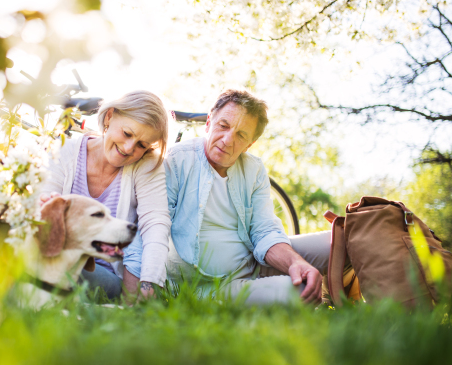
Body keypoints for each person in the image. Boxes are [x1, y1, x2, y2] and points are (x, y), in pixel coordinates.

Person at [123, 89, 330, 305]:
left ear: (249, 144)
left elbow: (264, 231)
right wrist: (143, 288)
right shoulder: (177, 161)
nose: (227, 140)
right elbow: (151, 229)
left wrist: (295, 262)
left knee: (336, 242)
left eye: (241, 135)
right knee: (302, 291)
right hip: (214, 287)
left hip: (254, 261)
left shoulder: (254, 169)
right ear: (209, 122)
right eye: (223, 126)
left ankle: (355, 294)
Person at [39, 91, 171, 299]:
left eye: (141, 145)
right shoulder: (64, 150)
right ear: (109, 116)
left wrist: (150, 281)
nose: (129, 148)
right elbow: (43, 211)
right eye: (127, 133)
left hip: (102, 275)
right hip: (54, 256)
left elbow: (156, 223)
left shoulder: (146, 165)